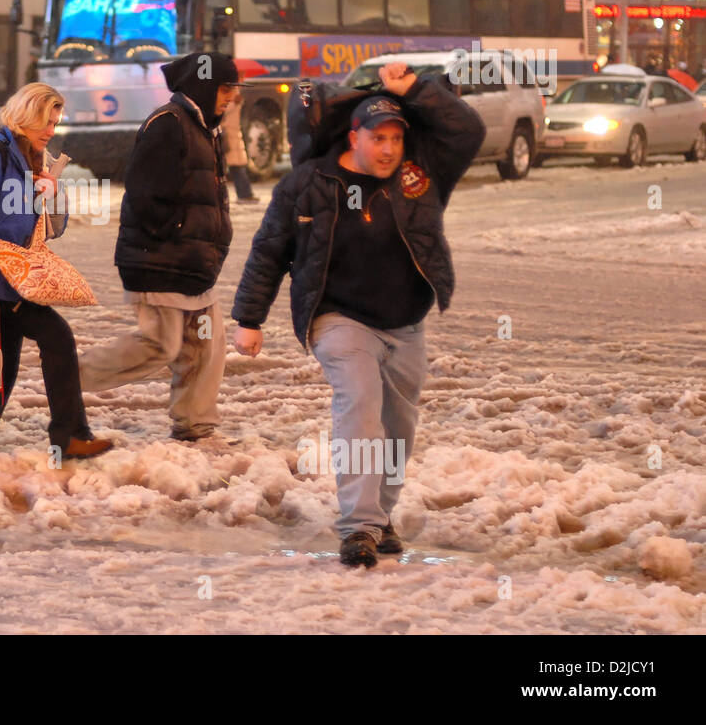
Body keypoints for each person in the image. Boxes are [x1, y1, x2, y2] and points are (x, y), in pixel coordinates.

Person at [230, 63, 484, 569]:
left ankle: (379, 516)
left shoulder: (420, 175)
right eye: (379, 137)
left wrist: (412, 89)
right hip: (338, 318)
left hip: (406, 323)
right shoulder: (310, 182)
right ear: (354, 136)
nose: (389, 148)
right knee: (360, 405)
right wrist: (249, 318)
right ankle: (360, 527)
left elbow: (468, 130)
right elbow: (269, 251)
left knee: (398, 427)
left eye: (396, 137)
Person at [0, 82, 113, 465]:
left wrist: (52, 194)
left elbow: (51, 229)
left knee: (0, 374)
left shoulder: (34, 159)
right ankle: (70, 436)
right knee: (57, 337)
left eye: (55, 122)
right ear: (24, 116)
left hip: (15, 284)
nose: (51, 130)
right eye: (45, 122)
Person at [77, 53, 242, 442]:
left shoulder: (205, 127)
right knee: (160, 345)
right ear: (203, 86)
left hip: (195, 261)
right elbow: (144, 192)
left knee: (206, 345)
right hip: (163, 260)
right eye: (226, 88)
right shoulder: (167, 125)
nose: (232, 97)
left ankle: (195, 425)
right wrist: (178, 232)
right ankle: (68, 376)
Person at [221, 90, 260, 204]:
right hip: (228, 134)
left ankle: (245, 194)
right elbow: (222, 111)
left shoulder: (236, 91)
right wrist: (235, 103)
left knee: (237, 166)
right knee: (232, 167)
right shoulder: (227, 91)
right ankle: (244, 194)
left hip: (234, 134)